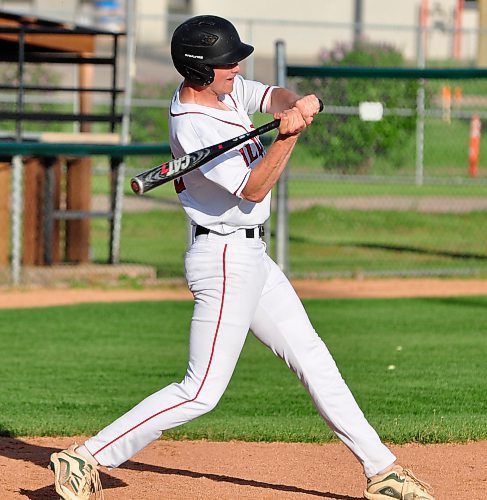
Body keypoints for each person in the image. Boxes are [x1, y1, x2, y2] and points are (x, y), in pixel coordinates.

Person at [49, 15, 435, 500]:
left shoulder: (221, 92)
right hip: (225, 257)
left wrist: (292, 105)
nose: (237, 68)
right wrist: (288, 137)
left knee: (312, 357)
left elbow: (266, 95)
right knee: (200, 390)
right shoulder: (194, 124)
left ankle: (383, 471)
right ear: (201, 70)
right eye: (228, 63)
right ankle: (86, 457)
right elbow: (253, 188)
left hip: (251, 255)